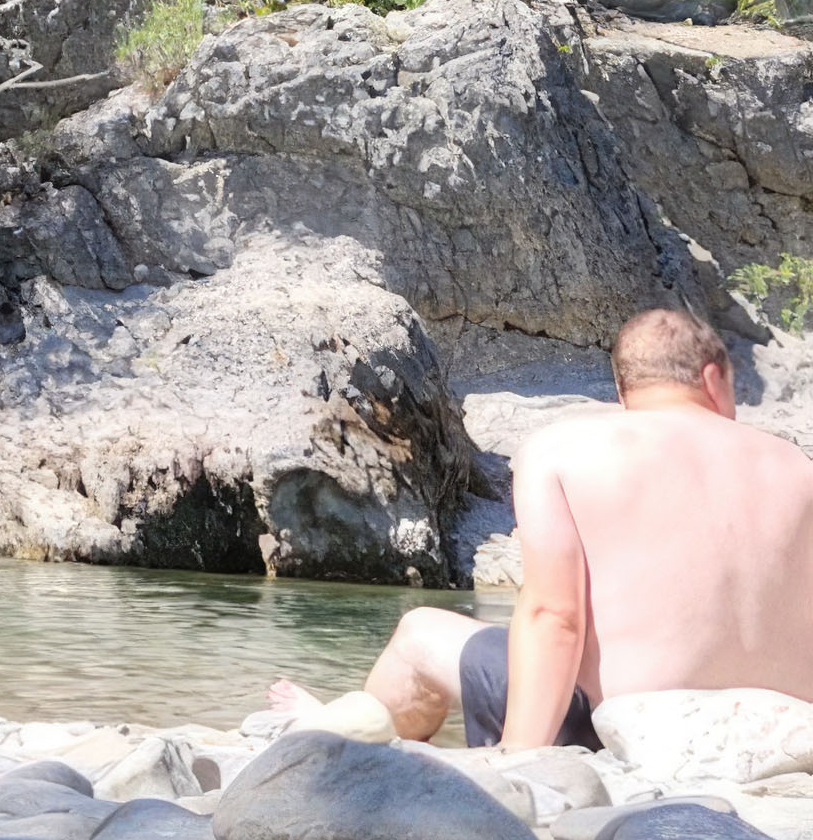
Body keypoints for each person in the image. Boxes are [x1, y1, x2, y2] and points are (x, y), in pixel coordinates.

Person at [273, 307, 813, 749]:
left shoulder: (564, 449)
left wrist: (520, 760)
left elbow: (556, 616)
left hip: (617, 729)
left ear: (624, 392)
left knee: (419, 634)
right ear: (714, 378)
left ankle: (340, 737)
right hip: (781, 732)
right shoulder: (799, 467)